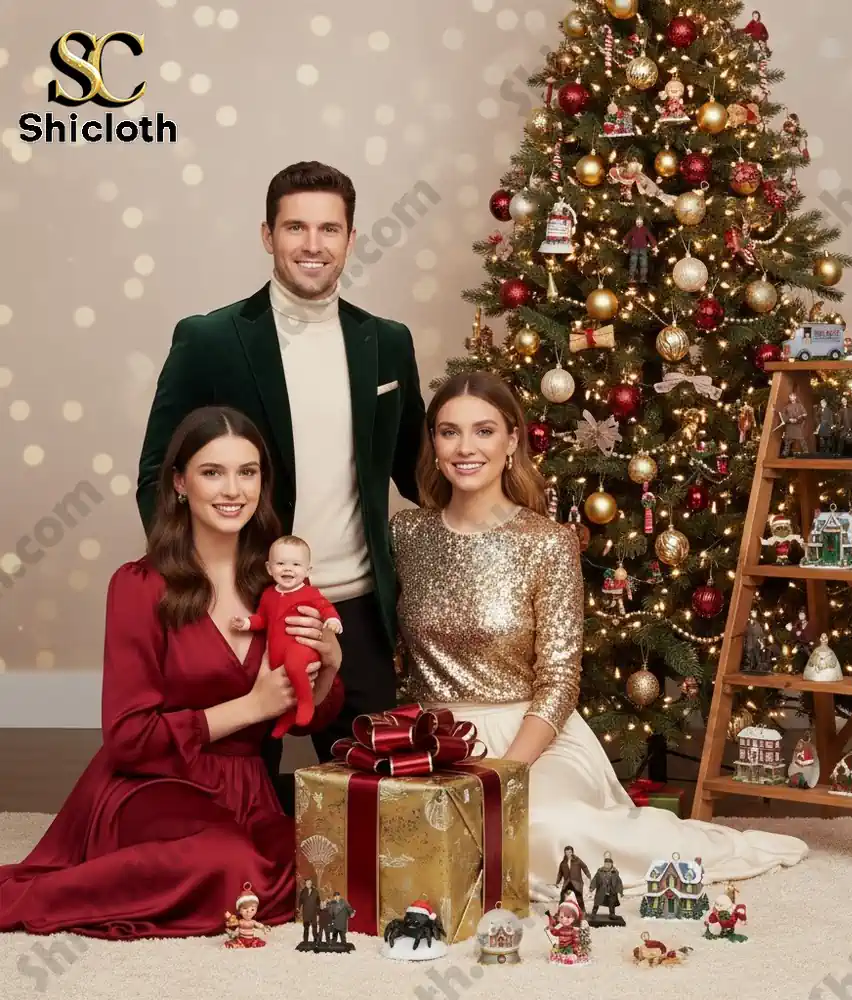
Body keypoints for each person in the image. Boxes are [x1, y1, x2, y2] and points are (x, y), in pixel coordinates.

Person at [389, 371, 808, 901]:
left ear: (513, 439)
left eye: (484, 431)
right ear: (433, 442)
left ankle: (687, 848)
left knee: (545, 829)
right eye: (449, 432)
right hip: (435, 741)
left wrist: (503, 772)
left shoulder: (547, 543)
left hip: (533, 739)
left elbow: (560, 679)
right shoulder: (406, 534)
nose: (466, 447)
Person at [135, 162, 425, 810]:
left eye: (329, 228)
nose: (313, 244)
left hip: (352, 612)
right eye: (296, 226)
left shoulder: (387, 343)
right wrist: (199, 586)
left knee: (379, 814)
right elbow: (158, 473)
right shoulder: (210, 339)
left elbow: (419, 473)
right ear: (267, 235)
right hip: (243, 607)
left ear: (352, 238)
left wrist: (516, 519)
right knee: (232, 809)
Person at [0, 407, 345, 939]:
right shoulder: (138, 586)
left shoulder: (277, 588)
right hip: (152, 786)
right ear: (180, 483)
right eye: (213, 472)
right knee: (230, 864)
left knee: (328, 861)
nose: (233, 489)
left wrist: (328, 670)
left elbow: (303, 715)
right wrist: (248, 708)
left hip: (246, 789)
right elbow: (127, 737)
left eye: (248, 472)